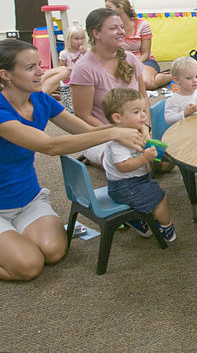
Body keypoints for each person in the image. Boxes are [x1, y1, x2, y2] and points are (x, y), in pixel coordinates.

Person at [0, 39, 144, 281]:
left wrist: (132, 126)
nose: (40, 73)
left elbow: (87, 132)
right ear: (5, 75)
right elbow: (51, 146)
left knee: (54, 251)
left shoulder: (41, 100)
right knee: (29, 266)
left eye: (39, 65)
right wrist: (114, 133)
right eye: (29, 68)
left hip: (28, 197)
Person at [70, 7, 149, 165]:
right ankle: (92, 157)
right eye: (113, 28)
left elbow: (143, 96)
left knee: (164, 161)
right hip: (101, 135)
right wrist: (116, 133)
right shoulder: (84, 68)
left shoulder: (130, 59)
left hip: (134, 129)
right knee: (129, 165)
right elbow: (83, 115)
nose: (121, 31)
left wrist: (145, 126)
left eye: (121, 27)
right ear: (96, 34)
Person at [101, 88, 176, 242]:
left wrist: (146, 140)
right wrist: (144, 159)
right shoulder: (117, 142)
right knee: (160, 197)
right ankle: (165, 227)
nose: (143, 115)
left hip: (135, 180)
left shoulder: (134, 131)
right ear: (117, 118)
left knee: (157, 188)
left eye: (143, 110)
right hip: (124, 186)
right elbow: (123, 166)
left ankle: (137, 220)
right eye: (136, 112)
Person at [104, 0, 171, 90]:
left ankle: (172, 75)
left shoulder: (142, 25)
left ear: (120, 8)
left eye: (109, 8)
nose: (106, 11)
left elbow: (146, 54)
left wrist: (131, 64)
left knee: (148, 83)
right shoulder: (110, 27)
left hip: (143, 60)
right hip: (121, 61)